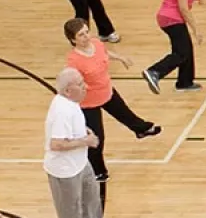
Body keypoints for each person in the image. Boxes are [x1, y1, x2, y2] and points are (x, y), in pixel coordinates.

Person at [65, 18, 160, 188]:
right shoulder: (74, 60)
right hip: (89, 102)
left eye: (87, 32)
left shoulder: (96, 43)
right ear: (73, 39)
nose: (86, 37)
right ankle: (98, 171)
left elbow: (105, 53)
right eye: (81, 35)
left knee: (125, 114)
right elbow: (72, 81)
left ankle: (142, 129)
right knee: (97, 138)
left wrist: (121, 58)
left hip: (107, 91)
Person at [45, 68, 111, 218]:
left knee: (91, 196)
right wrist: (86, 141)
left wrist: (83, 132)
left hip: (80, 162)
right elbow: (56, 144)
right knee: (70, 210)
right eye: (81, 84)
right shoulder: (62, 111)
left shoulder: (70, 104)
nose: (86, 87)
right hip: (64, 170)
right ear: (67, 90)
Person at [143, 0, 203, 93]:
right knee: (181, 53)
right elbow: (183, 9)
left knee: (186, 50)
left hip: (174, 18)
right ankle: (155, 71)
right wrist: (196, 29)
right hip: (171, 19)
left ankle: (184, 82)